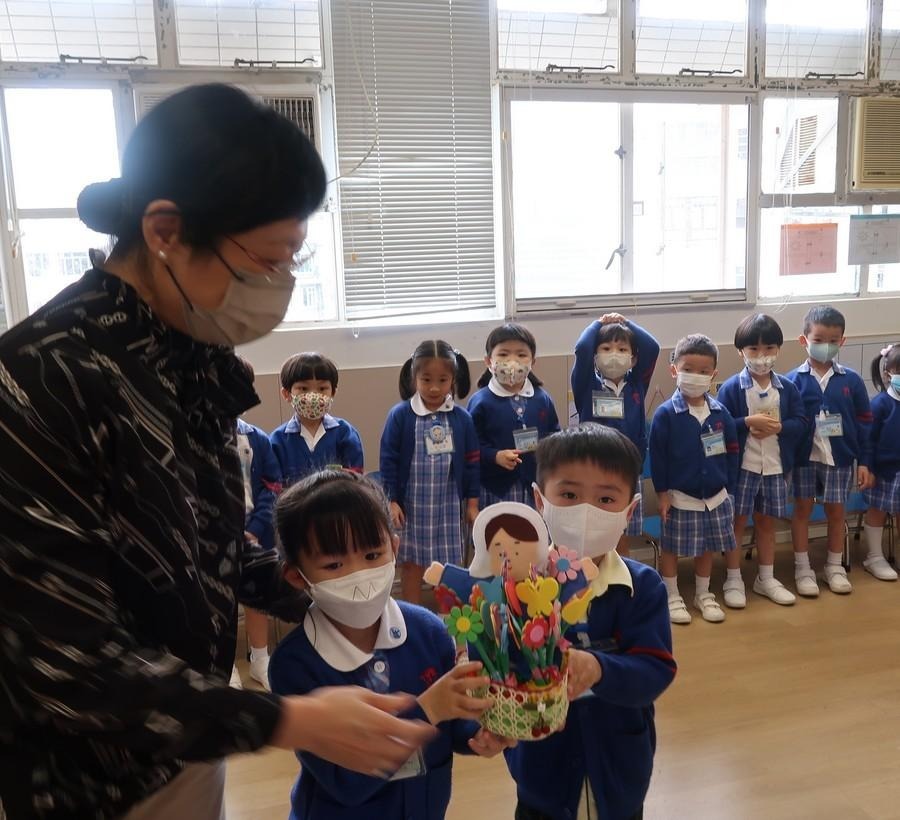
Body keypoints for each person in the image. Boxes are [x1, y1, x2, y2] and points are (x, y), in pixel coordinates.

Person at [0, 84, 434, 820]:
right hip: (93, 778)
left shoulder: (186, 352)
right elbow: (67, 660)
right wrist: (287, 720)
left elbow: (203, 548)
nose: (280, 285)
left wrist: (340, 585)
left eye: (293, 258)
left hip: (192, 739)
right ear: (165, 230)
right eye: (265, 260)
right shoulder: (42, 379)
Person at [269, 470, 514, 819]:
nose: (358, 575)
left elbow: (448, 727)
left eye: (372, 556)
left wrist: (477, 734)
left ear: (395, 548)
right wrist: (428, 708)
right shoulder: (295, 665)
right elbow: (345, 782)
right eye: (334, 564)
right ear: (297, 575)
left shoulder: (429, 631)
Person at [505, 425, 676, 820]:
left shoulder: (641, 588)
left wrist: (599, 668)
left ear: (629, 512)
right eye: (569, 495)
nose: (586, 511)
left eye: (605, 499)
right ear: (539, 500)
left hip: (620, 772)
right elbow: (503, 669)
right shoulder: (518, 587)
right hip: (540, 775)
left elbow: (655, 671)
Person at [379, 340, 480, 605]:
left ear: (453, 380)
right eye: (426, 380)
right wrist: (391, 500)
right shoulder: (400, 416)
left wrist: (472, 504)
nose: (434, 388)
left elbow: (472, 463)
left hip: (448, 506)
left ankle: (448, 619)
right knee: (411, 565)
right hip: (411, 507)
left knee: (448, 567)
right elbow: (388, 461)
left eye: (442, 380)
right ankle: (414, 617)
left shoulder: (462, 419)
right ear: (414, 378)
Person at [716, 314, 807, 608]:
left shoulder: (788, 388)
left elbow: (801, 422)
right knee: (737, 523)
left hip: (776, 468)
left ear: (778, 349)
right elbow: (721, 426)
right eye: (753, 349)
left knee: (767, 523)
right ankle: (733, 578)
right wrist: (746, 422)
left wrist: (780, 427)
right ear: (740, 351)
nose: (761, 356)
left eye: (768, 348)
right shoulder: (732, 388)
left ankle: (766, 578)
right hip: (743, 468)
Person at [649, 334, 739, 625]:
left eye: (703, 371)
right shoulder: (665, 414)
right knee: (672, 547)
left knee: (707, 546)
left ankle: (703, 593)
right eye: (688, 369)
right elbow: (658, 458)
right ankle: (671, 594)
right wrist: (662, 494)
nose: (695, 376)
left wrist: (729, 489)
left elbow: (732, 451)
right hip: (680, 497)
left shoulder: (721, 413)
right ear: (674, 370)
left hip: (716, 497)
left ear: (713, 374)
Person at [787, 306, 874, 596]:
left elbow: (864, 423)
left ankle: (835, 566)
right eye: (819, 339)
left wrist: (864, 461)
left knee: (836, 511)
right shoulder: (792, 381)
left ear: (842, 341)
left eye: (833, 340)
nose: (826, 345)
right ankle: (803, 568)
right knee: (802, 510)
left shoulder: (851, 380)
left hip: (840, 458)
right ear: (804, 340)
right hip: (803, 460)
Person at [571, 313, 660, 554]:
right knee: (599, 531)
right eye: (606, 348)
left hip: (629, 469)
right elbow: (581, 349)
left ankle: (621, 574)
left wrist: (626, 323)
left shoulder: (637, 384)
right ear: (595, 356)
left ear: (633, 359)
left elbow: (652, 347)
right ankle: (597, 574)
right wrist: (598, 324)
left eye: (622, 349)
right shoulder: (587, 385)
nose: (614, 354)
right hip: (596, 469)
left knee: (623, 532)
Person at [467, 323, 560, 508]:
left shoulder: (542, 398)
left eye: (521, 355)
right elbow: (472, 446)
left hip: (535, 485)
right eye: (503, 354)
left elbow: (554, 435)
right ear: (488, 361)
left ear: (532, 362)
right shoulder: (480, 401)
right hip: (496, 488)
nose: (512, 361)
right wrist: (495, 456)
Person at [235, 400, 283, 689]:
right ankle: (226, 665)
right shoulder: (195, 437)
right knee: (222, 602)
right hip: (216, 534)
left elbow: (272, 486)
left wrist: (254, 529)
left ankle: (260, 659)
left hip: (256, 533)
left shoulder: (258, 438)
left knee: (257, 599)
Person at [270, 352, 364, 486]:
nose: (313, 396)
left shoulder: (345, 433)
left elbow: (356, 483)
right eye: (303, 388)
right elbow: (274, 488)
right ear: (287, 394)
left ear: (333, 393)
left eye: (322, 388)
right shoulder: (278, 440)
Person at [862, 344, 900, 581]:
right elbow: (868, 440)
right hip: (884, 472)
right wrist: (869, 467)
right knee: (877, 511)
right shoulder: (880, 405)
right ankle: (874, 557)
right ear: (888, 373)